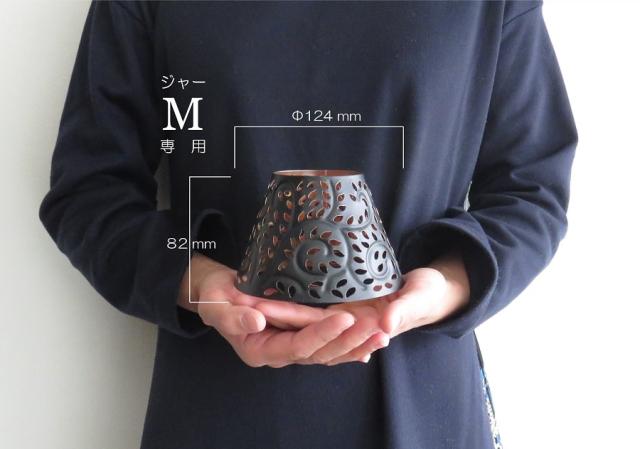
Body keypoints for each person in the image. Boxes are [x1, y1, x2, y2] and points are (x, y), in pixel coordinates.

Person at [39, 1, 577, 448]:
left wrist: (447, 284)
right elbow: (89, 190)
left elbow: (531, 189)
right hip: (220, 397)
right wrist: (198, 283)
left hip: (420, 400)